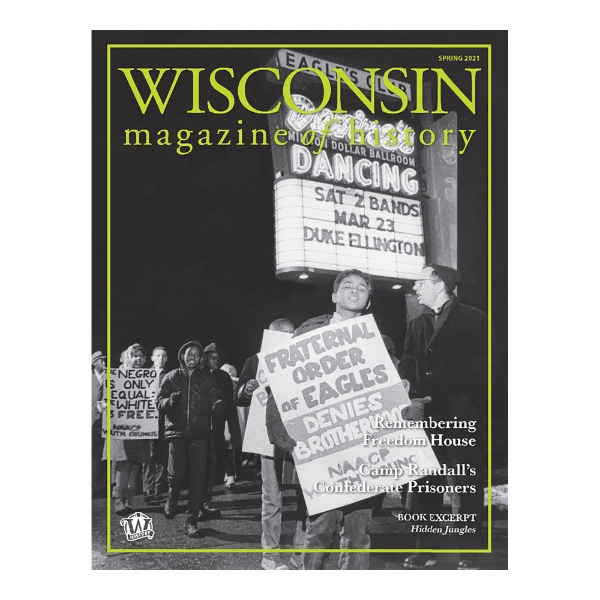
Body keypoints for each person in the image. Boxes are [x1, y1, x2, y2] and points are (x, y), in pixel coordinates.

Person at [266, 270, 377, 570]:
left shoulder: (379, 342)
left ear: (368, 300)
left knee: (358, 533)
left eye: (362, 288)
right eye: (347, 286)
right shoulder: (308, 333)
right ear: (333, 295)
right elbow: (282, 386)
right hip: (322, 448)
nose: (355, 291)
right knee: (319, 530)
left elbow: (392, 392)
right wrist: (281, 434)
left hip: (363, 452)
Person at [398, 264, 489, 571]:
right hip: (427, 420)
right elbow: (408, 359)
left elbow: (486, 369)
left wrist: (458, 401)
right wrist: (408, 383)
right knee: (426, 488)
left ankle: (470, 554)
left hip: (462, 417)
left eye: (420, 282)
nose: (415, 288)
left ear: (440, 285)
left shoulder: (476, 319)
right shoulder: (417, 323)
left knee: (467, 489)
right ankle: (426, 550)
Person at [236, 318, 307, 570]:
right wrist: (246, 389)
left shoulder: (302, 357)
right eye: (281, 336)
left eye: (291, 336)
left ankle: (299, 557)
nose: (286, 340)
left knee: (305, 497)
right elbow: (239, 397)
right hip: (269, 440)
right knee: (272, 499)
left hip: (299, 438)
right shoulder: (255, 361)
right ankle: (270, 556)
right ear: (269, 336)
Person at [157, 340, 225, 537]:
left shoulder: (207, 377)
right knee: (177, 475)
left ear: (201, 358)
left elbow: (215, 396)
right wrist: (169, 402)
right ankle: (172, 496)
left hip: (200, 434)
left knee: (198, 479)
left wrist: (218, 404)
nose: (192, 357)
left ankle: (191, 521)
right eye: (189, 353)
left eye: (196, 354)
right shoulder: (171, 377)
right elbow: (159, 403)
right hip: (176, 432)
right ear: (182, 355)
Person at [105, 343, 152, 515]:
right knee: (122, 465)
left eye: (141, 356)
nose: (138, 359)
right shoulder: (117, 376)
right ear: (128, 357)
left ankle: (129, 500)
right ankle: (120, 501)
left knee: (135, 465)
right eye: (135, 356)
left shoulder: (147, 378)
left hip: (139, 429)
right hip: (121, 429)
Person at [203, 343, 241, 508]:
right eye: (212, 358)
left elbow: (230, 405)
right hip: (201, 425)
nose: (216, 361)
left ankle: (206, 500)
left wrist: (233, 427)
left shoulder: (224, 377)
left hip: (218, 424)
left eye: (218, 358)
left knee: (215, 457)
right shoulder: (198, 375)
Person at [142, 346, 169, 503]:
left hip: (164, 419)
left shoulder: (170, 375)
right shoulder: (144, 375)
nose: (161, 358)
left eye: (164, 356)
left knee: (162, 455)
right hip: (148, 418)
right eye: (158, 355)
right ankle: (148, 488)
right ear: (152, 358)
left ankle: (159, 488)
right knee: (149, 455)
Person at [92, 351, 107, 497]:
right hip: (91, 421)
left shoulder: (109, 377)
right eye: (101, 361)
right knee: (93, 453)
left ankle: (101, 482)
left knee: (103, 452)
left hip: (105, 421)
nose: (104, 363)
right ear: (95, 363)